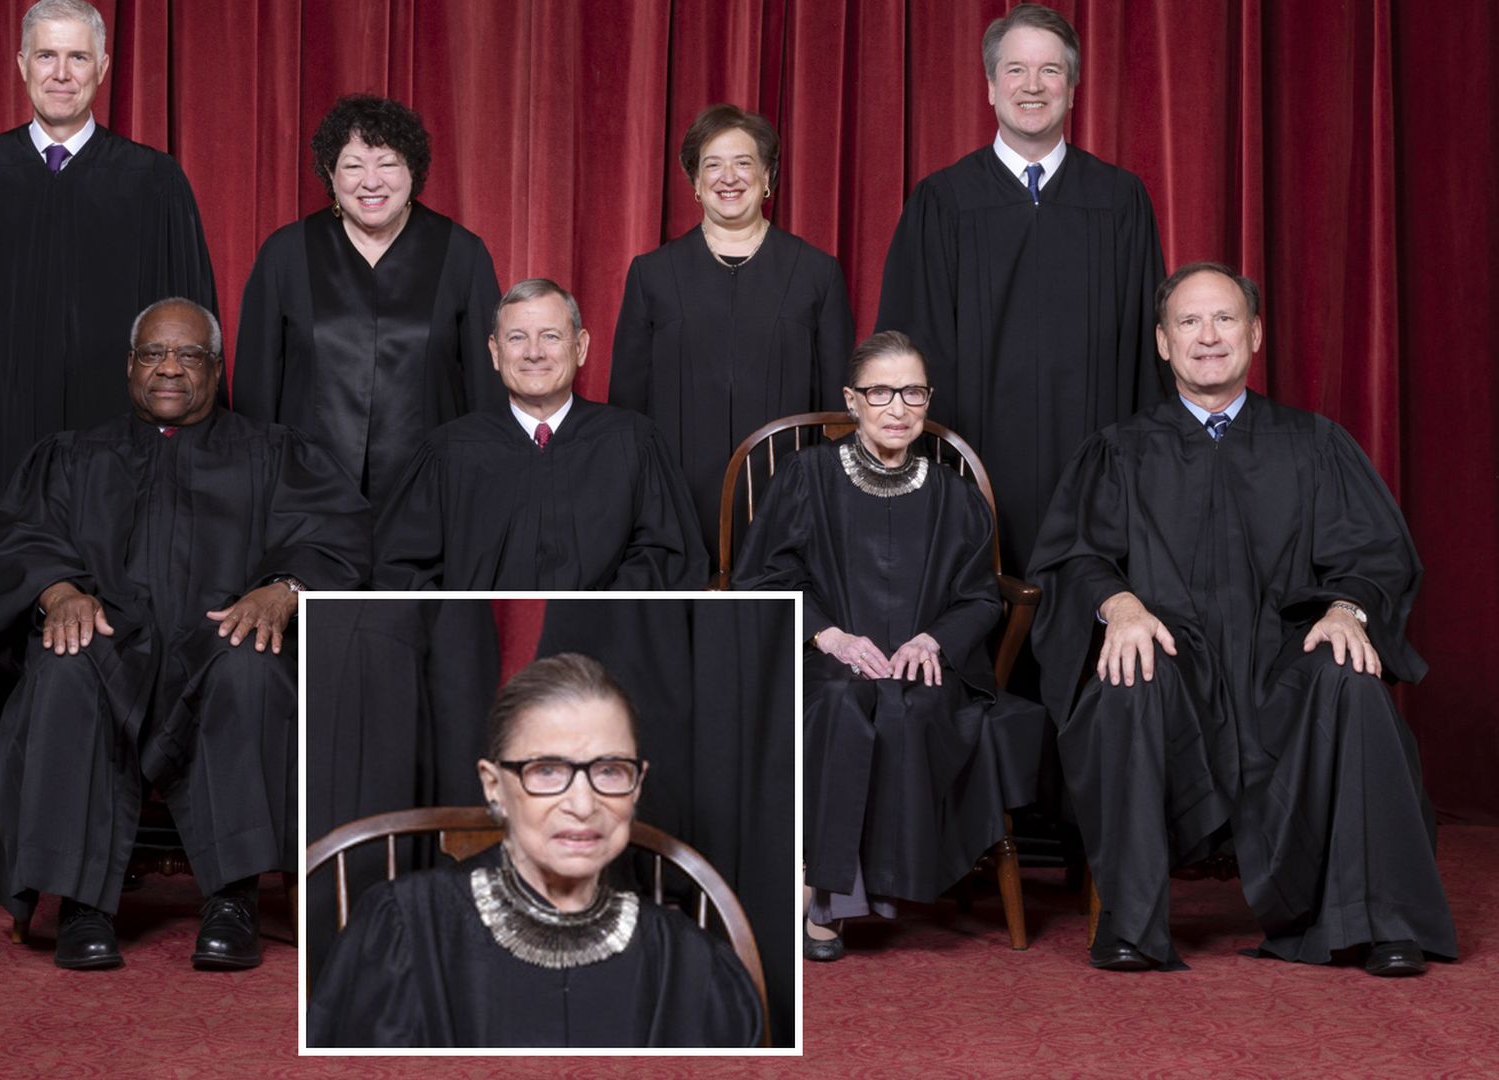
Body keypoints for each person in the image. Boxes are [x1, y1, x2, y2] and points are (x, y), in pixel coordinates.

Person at [1029, 263, 1456, 974]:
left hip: (1284, 663)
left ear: (1255, 334)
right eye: (1188, 322)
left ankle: (1385, 922)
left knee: (1349, 679)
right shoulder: (1121, 450)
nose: (1208, 336)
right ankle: (1131, 925)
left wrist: (1347, 609)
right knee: (1128, 678)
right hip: (1176, 662)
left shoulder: (1313, 444)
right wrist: (1120, 605)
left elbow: (1377, 554)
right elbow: (1074, 556)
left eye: (1224, 319)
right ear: (1162, 342)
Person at [0, 297, 370, 972]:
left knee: (252, 663)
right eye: (153, 354)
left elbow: (337, 538)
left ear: (217, 369)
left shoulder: (274, 453)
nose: (169, 368)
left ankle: (232, 899)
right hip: (110, 646)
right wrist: (60, 592)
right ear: (130, 366)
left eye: (189, 355)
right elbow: (22, 540)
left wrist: (284, 590)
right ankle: (82, 903)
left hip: (218, 642)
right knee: (64, 662)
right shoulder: (73, 457)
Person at [731, 331, 1045, 961]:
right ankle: (828, 901)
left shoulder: (954, 495)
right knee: (840, 703)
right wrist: (829, 634)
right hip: (823, 656)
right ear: (853, 399)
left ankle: (848, 890)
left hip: (923, 665)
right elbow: (760, 579)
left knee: (913, 708)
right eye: (880, 392)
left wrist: (935, 639)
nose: (898, 408)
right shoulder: (806, 478)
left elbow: (981, 598)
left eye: (913, 392)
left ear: (928, 399)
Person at [308, 653, 764, 1048]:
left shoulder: (692, 966)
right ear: (494, 786)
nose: (583, 805)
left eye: (610, 770)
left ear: (637, 783)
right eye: (546, 770)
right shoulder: (403, 929)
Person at [874, 4, 1166, 573]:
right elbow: (908, 347)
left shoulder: (1119, 200)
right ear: (990, 87)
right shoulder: (943, 202)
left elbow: (1146, 352)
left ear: (1072, 88)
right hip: (972, 469)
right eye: (1015, 70)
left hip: (1095, 469)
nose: (1032, 86)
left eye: (1050, 70)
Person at [0, 0, 217, 485]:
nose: (61, 74)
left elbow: (189, 327)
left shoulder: (154, 181)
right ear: (22, 64)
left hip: (125, 456)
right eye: (46, 55)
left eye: (79, 57)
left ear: (103, 68)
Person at [610, 103, 854, 567]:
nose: (728, 178)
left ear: (767, 177)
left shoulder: (816, 274)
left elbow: (838, 413)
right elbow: (628, 408)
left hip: (787, 506)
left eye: (743, 163)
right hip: (675, 509)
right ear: (694, 182)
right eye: (712, 165)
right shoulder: (653, 275)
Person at [233, 94, 502, 507]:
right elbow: (256, 393)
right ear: (330, 173)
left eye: (388, 164)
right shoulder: (286, 254)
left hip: (432, 498)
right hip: (306, 498)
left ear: (413, 170)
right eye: (353, 166)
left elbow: (487, 390)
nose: (371, 182)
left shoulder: (462, 254)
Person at [373, 279, 707, 590]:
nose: (534, 352)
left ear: (580, 347)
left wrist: (604, 614)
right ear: (495, 352)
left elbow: (667, 557)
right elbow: (402, 570)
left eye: (550, 336)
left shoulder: (633, 442)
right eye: (517, 338)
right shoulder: (448, 452)